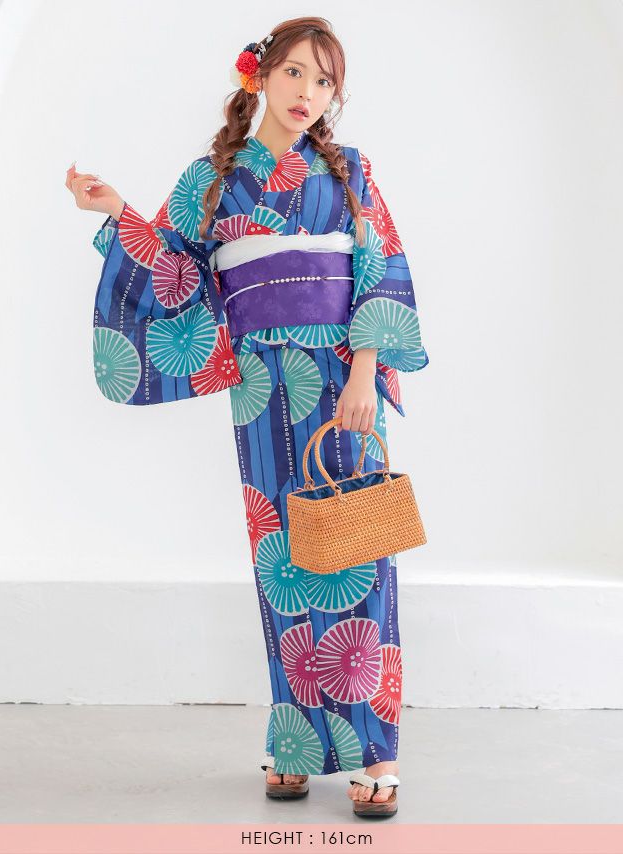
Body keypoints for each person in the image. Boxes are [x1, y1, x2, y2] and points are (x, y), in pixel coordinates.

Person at [65, 15, 428, 819]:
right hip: (262, 385)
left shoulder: (351, 171)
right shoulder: (213, 178)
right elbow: (174, 272)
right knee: (283, 560)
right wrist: (116, 208)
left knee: (361, 552)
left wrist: (364, 370)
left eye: (325, 81)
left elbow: (380, 263)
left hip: (343, 377)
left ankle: (378, 752)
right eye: (295, 72)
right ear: (259, 76)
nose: (308, 93)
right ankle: (294, 742)